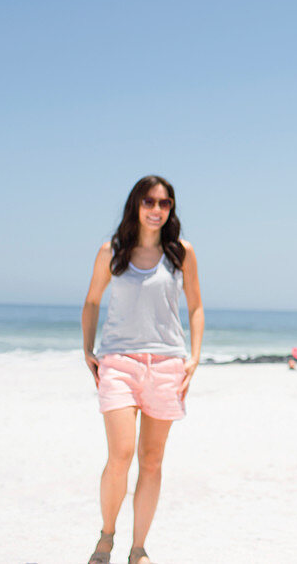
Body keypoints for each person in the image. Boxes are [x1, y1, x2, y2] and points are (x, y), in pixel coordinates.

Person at [81, 175, 204, 564]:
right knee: (120, 455)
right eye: (149, 201)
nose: (156, 210)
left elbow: (196, 306)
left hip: (167, 364)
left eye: (164, 203)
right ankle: (106, 537)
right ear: (136, 204)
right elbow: (91, 302)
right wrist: (88, 348)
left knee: (151, 461)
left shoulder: (181, 253)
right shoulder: (112, 251)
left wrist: (195, 356)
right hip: (118, 362)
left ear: (171, 209)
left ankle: (138, 549)